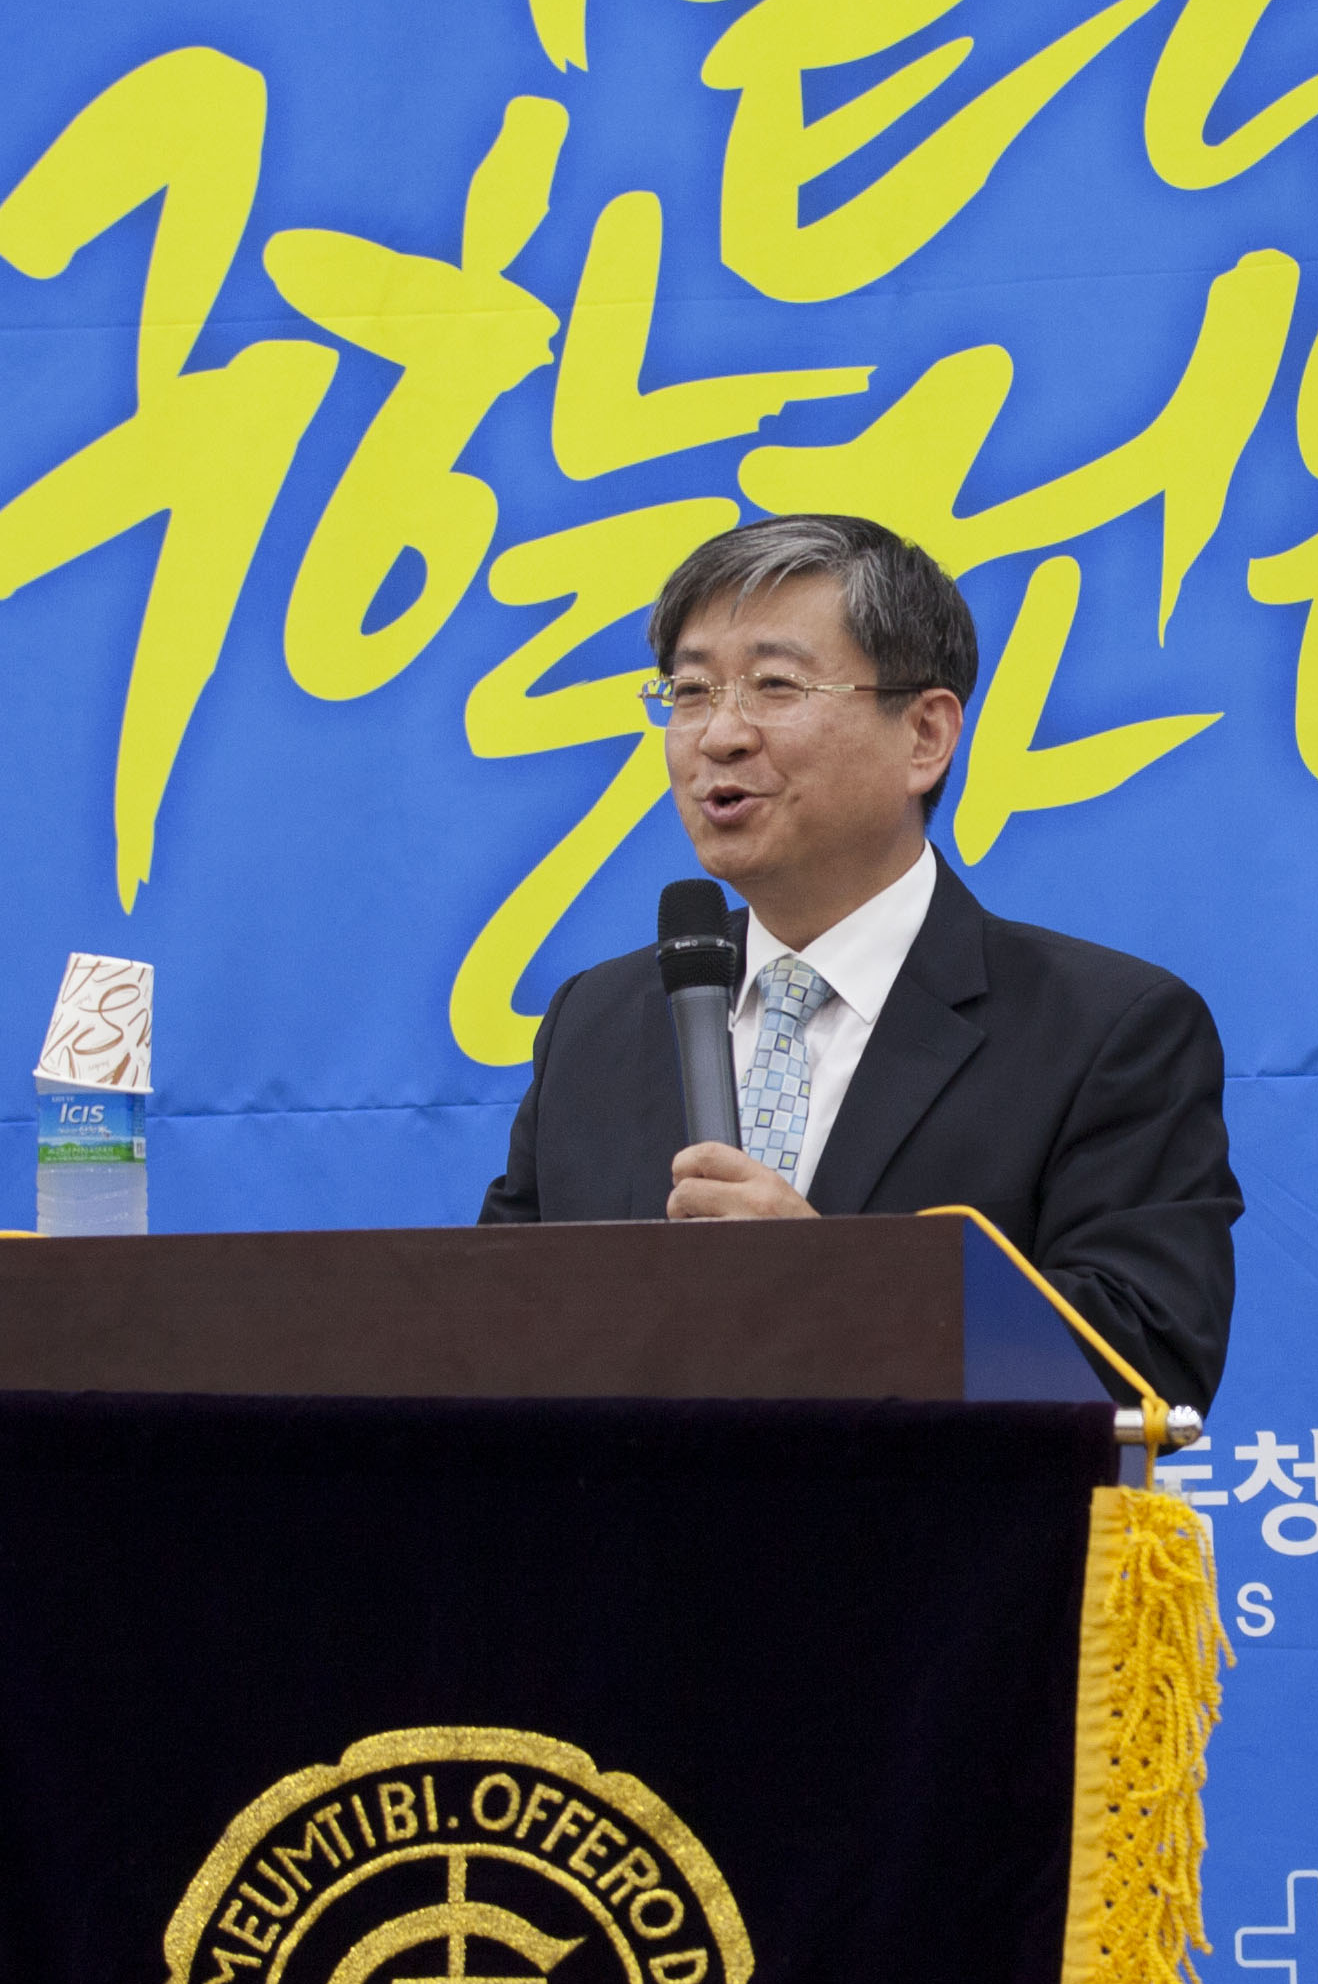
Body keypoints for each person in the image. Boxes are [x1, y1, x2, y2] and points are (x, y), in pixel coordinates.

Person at [479, 513, 1238, 1413]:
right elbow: (492, 1331)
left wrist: (837, 1287)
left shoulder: (1105, 1029)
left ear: (925, 736)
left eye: (775, 685)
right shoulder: (596, 1021)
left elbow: (1148, 1365)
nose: (719, 735)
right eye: (689, 691)